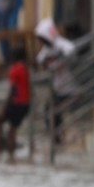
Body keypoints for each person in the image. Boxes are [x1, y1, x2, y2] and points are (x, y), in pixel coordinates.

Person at [35, 17, 77, 146]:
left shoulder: (62, 45)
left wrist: (59, 58)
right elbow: (40, 60)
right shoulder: (46, 50)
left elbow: (71, 51)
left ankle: (60, 138)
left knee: (57, 111)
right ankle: (56, 140)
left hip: (70, 86)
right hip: (56, 87)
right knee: (49, 113)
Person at [0, 45, 30, 163]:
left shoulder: (14, 70)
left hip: (16, 102)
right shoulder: (26, 68)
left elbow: (13, 90)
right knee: (12, 129)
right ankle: (10, 156)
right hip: (26, 103)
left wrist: (5, 106)